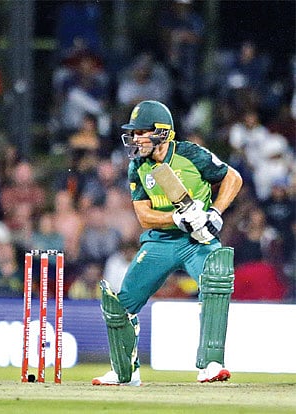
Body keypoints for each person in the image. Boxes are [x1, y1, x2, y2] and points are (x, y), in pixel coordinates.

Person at [92, 100, 242, 386]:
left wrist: (215, 213)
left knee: (216, 280)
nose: (135, 139)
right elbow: (144, 216)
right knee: (121, 304)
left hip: (197, 240)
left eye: (141, 132)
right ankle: (125, 372)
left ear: (161, 132)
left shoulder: (190, 154)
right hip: (160, 241)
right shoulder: (137, 166)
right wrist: (176, 218)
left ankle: (211, 364)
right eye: (133, 133)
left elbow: (232, 178)